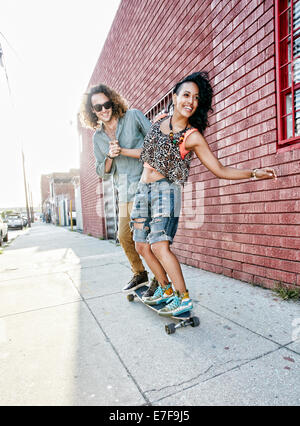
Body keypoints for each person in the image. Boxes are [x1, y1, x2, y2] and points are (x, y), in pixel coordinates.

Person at [130, 71, 277, 317]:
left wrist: (253, 173)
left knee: (159, 246)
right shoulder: (159, 120)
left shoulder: (192, 136)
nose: (191, 101)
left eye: (196, 98)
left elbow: (219, 169)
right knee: (141, 246)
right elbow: (146, 153)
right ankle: (165, 290)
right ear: (174, 97)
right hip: (142, 189)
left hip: (166, 192)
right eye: (186, 95)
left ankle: (183, 297)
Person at [80, 84, 160, 294]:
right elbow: (102, 171)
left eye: (106, 104)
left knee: (148, 238)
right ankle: (140, 272)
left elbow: (156, 147)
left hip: (147, 186)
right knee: (125, 236)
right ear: (92, 112)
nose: (104, 109)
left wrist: (123, 151)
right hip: (124, 192)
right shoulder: (98, 138)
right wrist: (109, 156)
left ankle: (160, 280)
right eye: (98, 107)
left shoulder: (133, 117)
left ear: (113, 102)